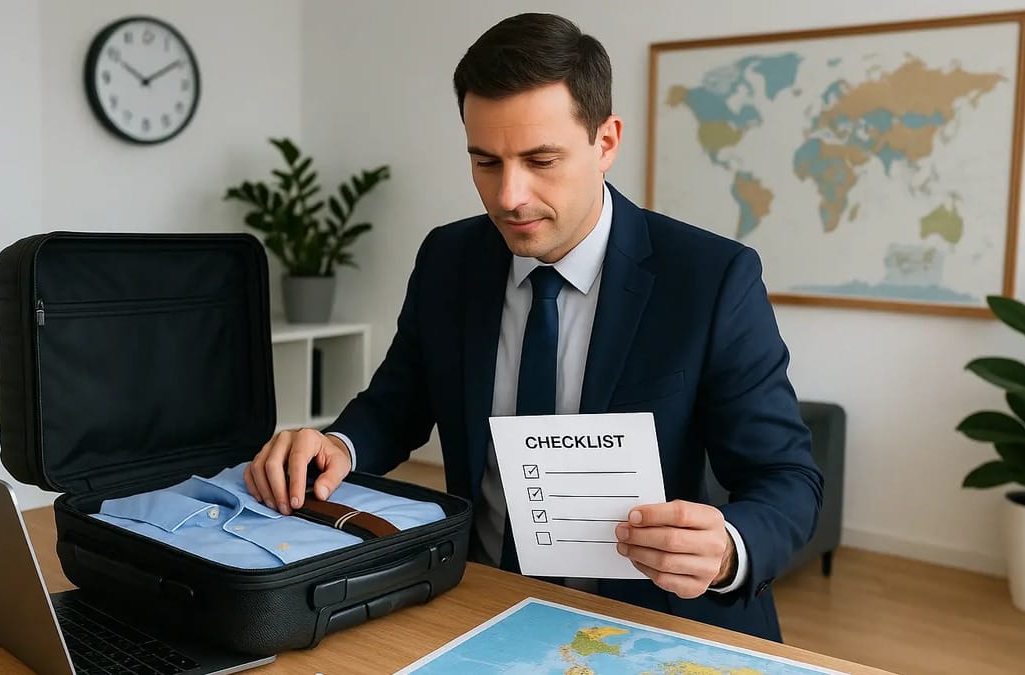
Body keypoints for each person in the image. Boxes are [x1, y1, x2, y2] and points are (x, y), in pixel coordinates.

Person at [244, 12, 822, 642]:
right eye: (485, 162)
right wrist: (340, 446)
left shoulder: (711, 278)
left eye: (541, 160)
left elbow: (787, 481)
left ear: (606, 141)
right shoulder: (449, 257)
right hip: (478, 603)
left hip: (646, 621)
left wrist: (729, 548)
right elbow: (398, 402)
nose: (510, 196)